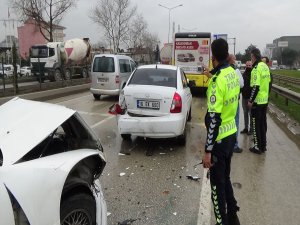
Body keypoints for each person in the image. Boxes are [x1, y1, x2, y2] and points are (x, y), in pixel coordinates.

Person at [203, 38, 240, 225]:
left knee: (217, 188)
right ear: (226, 54)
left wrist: (207, 150)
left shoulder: (217, 81)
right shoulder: (232, 72)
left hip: (218, 140)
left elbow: (214, 119)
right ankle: (233, 216)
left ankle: (222, 221)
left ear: (213, 56)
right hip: (231, 134)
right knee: (225, 178)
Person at [248, 48, 271, 154]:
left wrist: (251, 100)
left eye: (251, 57)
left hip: (257, 102)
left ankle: (257, 147)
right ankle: (263, 145)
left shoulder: (256, 68)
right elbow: (270, 83)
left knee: (255, 124)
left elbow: (255, 86)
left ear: (253, 56)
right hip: (264, 101)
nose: (250, 59)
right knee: (262, 124)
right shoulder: (265, 66)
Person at [228, 54, 244, 153]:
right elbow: (242, 84)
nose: (235, 60)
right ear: (232, 60)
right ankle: (234, 145)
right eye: (234, 58)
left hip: (225, 102)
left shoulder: (222, 70)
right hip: (234, 101)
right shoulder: (236, 71)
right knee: (235, 123)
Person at [240, 61, 253, 135]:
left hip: (250, 98)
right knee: (245, 113)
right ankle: (246, 128)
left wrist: (252, 99)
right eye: (247, 65)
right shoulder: (243, 74)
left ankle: (251, 129)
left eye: (249, 65)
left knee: (251, 114)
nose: (248, 66)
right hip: (244, 97)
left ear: (251, 66)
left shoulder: (253, 74)